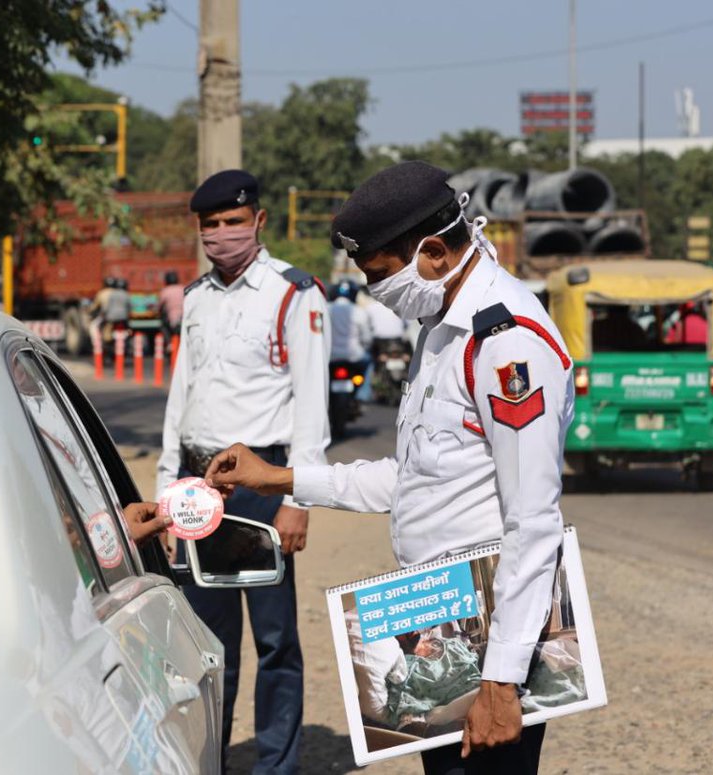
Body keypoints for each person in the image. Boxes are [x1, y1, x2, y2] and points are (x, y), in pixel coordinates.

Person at [203, 161, 573, 775]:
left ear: (431, 252)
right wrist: (281, 477)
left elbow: (532, 520)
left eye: (380, 274)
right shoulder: (441, 328)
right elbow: (414, 478)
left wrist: (502, 682)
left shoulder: (506, 340)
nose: (378, 290)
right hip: (439, 617)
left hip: (489, 636)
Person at [157, 168, 330, 774]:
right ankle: (213, 761)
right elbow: (182, 395)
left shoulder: (294, 292)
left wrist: (298, 497)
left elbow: (312, 401)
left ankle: (276, 766)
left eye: (234, 221)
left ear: (258, 221)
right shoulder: (197, 298)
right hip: (198, 486)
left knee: (276, 639)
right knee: (207, 644)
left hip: (261, 485)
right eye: (211, 224)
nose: (223, 233)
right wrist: (165, 487)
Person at [158, 270, 185, 342]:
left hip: (172, 322)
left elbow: (160, 307)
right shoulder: (183, 288)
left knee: (163, 326)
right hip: (185, 319)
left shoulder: (165, 291)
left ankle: (169, 343)